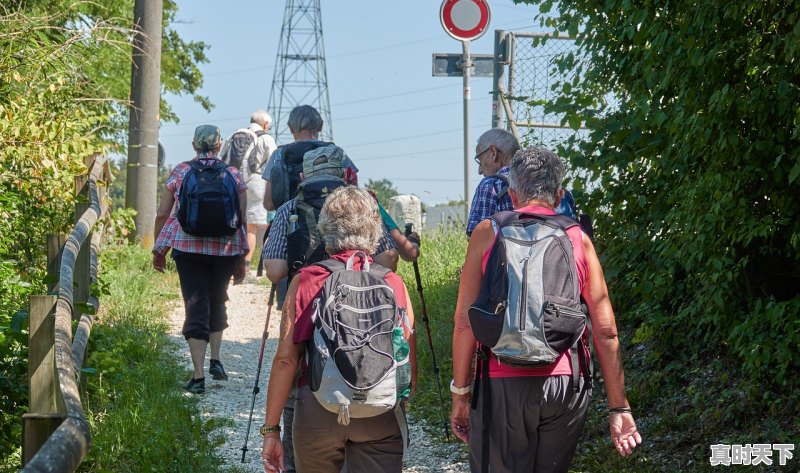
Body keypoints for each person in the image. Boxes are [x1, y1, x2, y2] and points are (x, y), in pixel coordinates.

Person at [450, 146, 641, 472]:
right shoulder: (577, 238)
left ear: (511, 194)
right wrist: (619, 407)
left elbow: (464, 323)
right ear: (559, 195)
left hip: (500, 382)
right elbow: (606, 331)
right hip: (564, 384)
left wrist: (461, 394)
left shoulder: (487, 233)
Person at [261, 145, 407, 473]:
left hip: (318, 403)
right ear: (373, 227)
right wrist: (401, 403)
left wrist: (271, 431)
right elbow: (405, 352)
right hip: (380, 408)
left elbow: (286, 359)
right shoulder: (393, 283)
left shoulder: (307, 278)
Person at [152, 125, 248, 394]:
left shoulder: (181, 171)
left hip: (188, 248)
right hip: (226, 250)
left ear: (194, 145)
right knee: (217, 298)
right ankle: (216, 360)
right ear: (220, 147)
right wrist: (243, 257)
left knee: (195, 303)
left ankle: (198, 376)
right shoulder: (233, 174)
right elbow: (241, 219)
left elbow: (163, 214)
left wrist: (158, 248)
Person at [220, 109, 278, 274]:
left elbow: (222, 157)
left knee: (233, 223)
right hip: (255, 184)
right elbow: (275, 163)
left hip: (232, 182)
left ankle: (228, 263)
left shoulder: (234, 135)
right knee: (251, 227)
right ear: (265, 124)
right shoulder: (266, 138)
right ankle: (244, 267)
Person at [466, 128, 521, 237]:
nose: (480, 171)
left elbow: (477, 238)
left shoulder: (491, 185)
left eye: (480, 161)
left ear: (493, 153)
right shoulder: (542, 181)